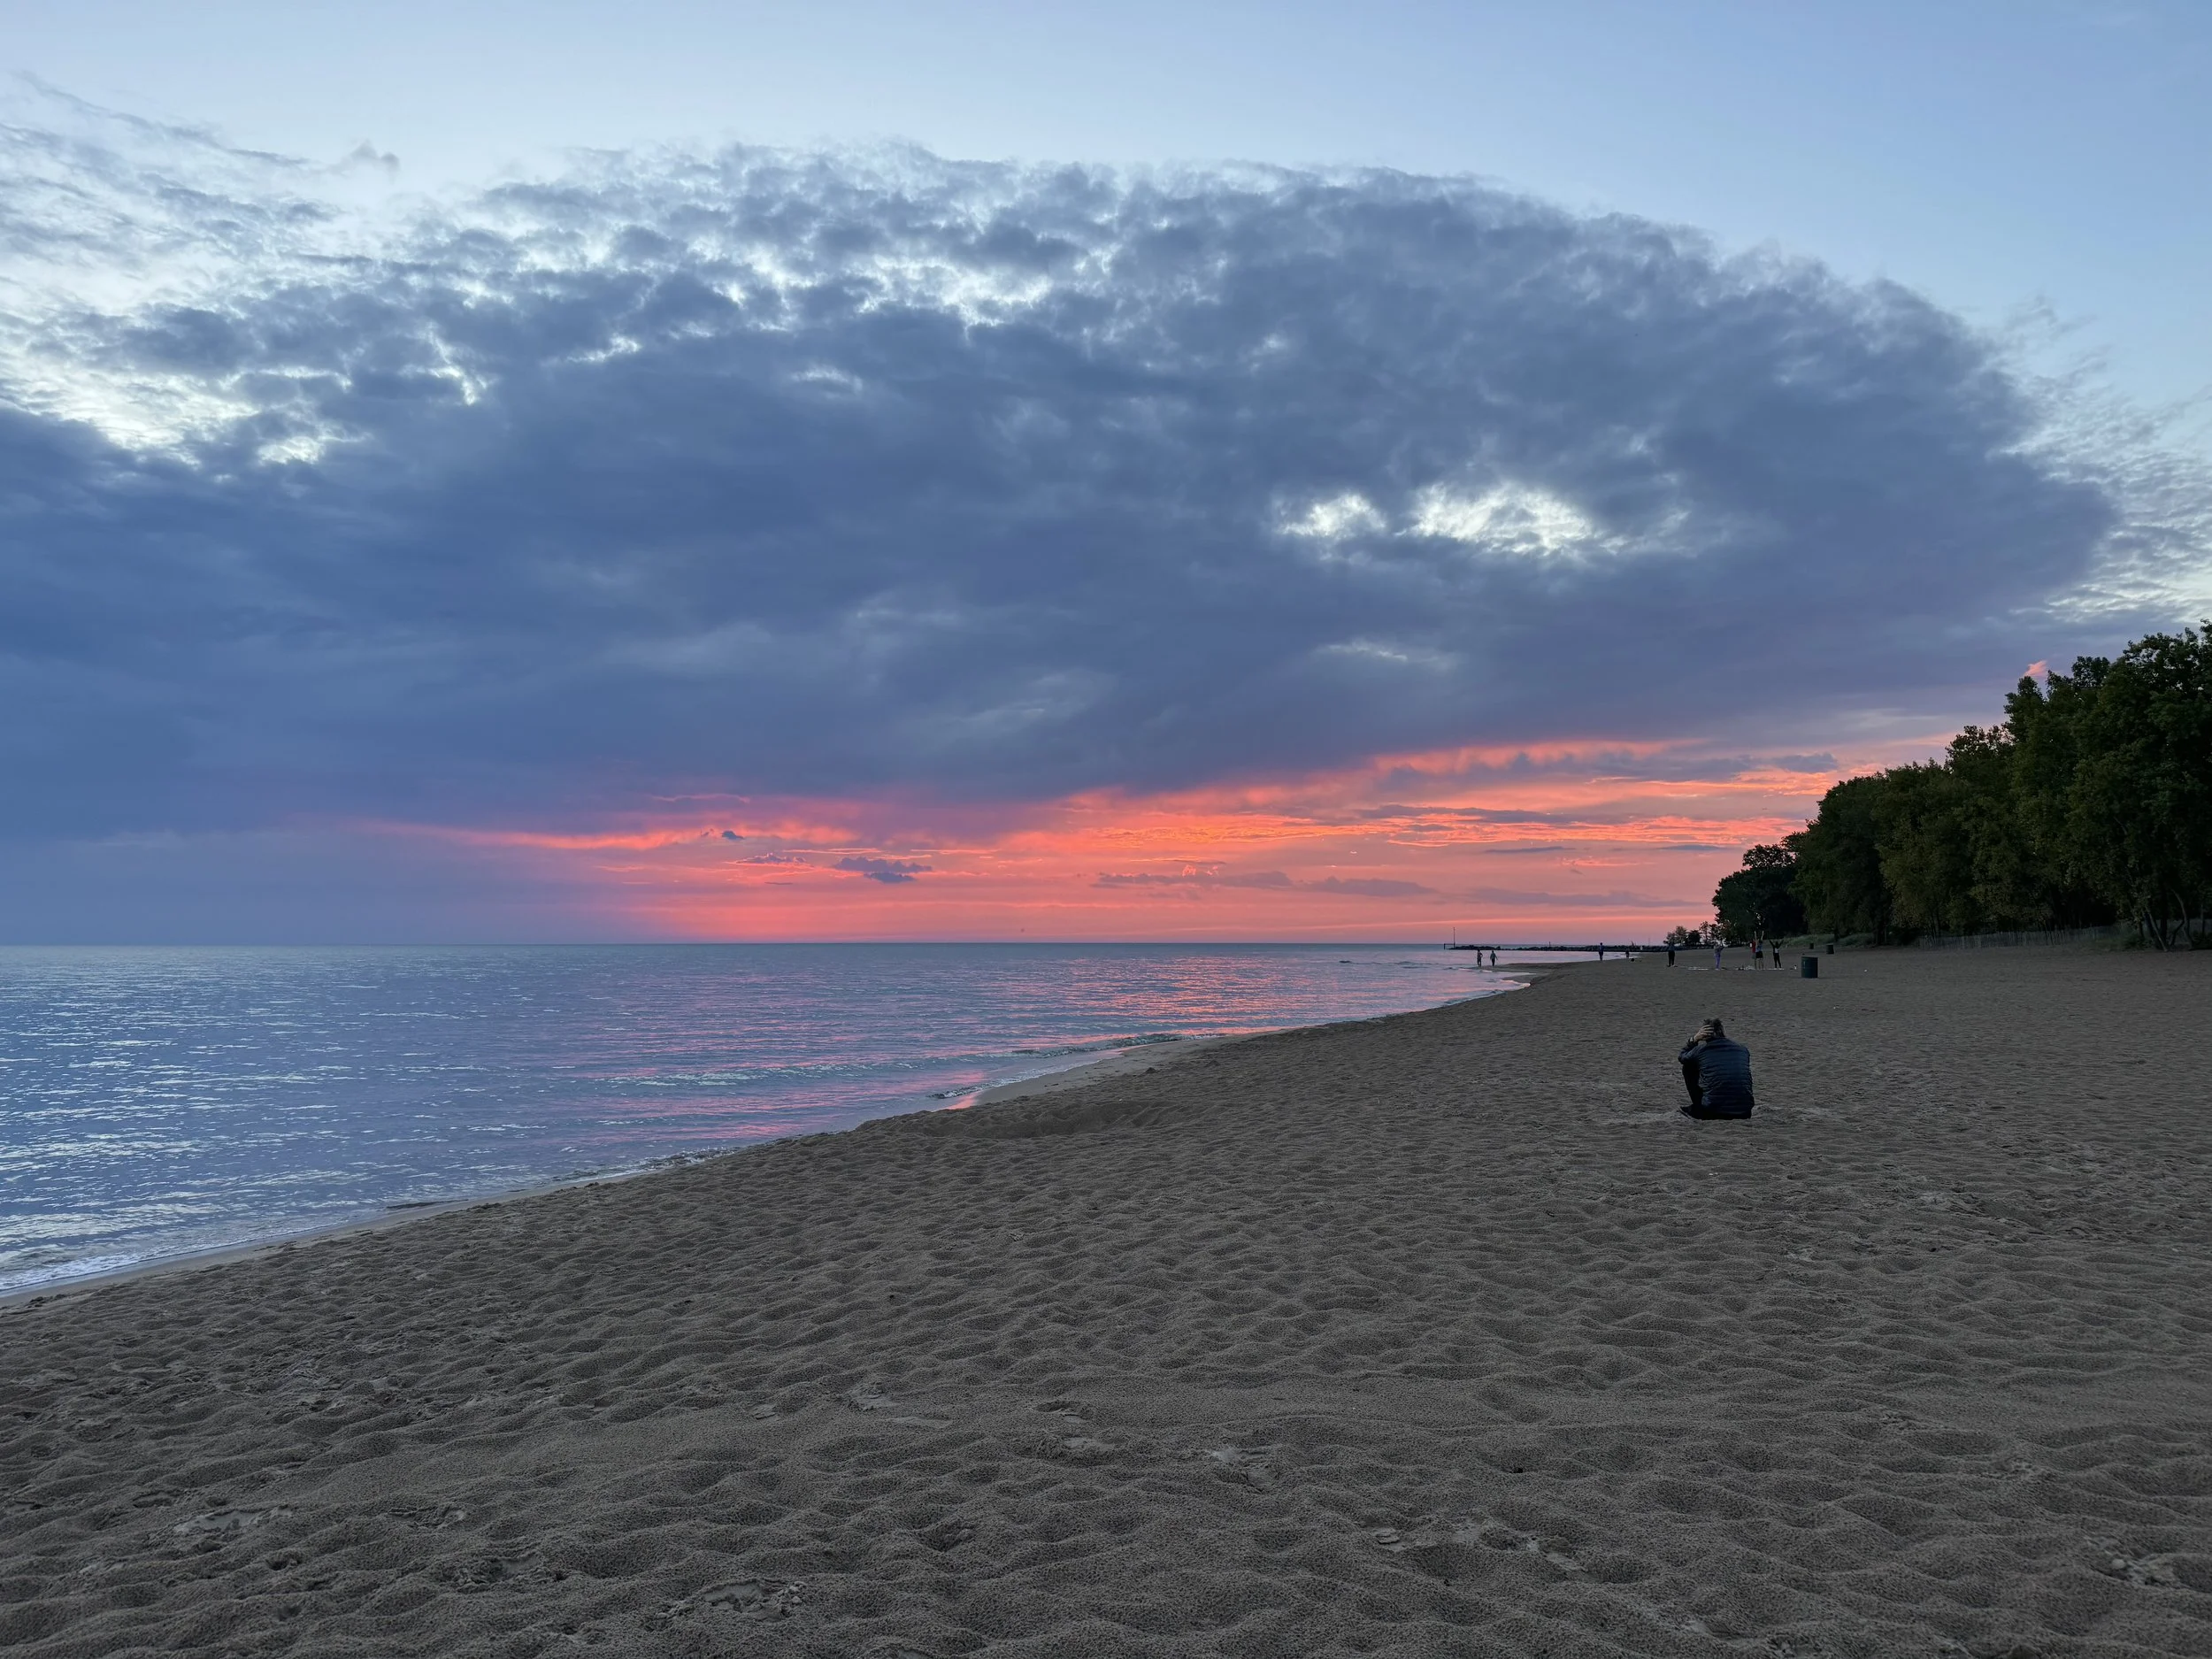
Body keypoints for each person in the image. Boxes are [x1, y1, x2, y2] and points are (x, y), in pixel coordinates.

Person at [1678, 1018, 1755, 1118]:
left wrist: (1694, 1039)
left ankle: (1698, 1107)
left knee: (1688, 1067)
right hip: (1745, 1112)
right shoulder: (1742, 1049)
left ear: (1704, 1034)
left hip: (1713, 1111)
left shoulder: (1701, 1050)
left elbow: (1682, 1057)